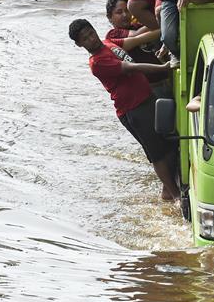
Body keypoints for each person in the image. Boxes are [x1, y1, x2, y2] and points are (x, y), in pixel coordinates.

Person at [68, 18, 179, 201]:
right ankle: (175, 196)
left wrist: (165, 31)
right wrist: (163, 67)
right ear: (79, 44)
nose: (92, 39)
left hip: (147, 98)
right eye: (86, 38)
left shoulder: (108, 43)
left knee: (169, 144)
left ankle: (167, 192)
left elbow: (135, 40)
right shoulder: (97, 62)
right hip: (133, 109)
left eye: (91, 33)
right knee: (157, 153)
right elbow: (131, 67)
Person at [104, 0, 171, 98]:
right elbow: (136, 35)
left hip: (165, 81)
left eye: (127, 10)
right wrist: (165, 28)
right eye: (119, 12)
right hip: (148, 89)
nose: (125, 15)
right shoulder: (113, 35)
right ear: (109, 17)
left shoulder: (137, 26)